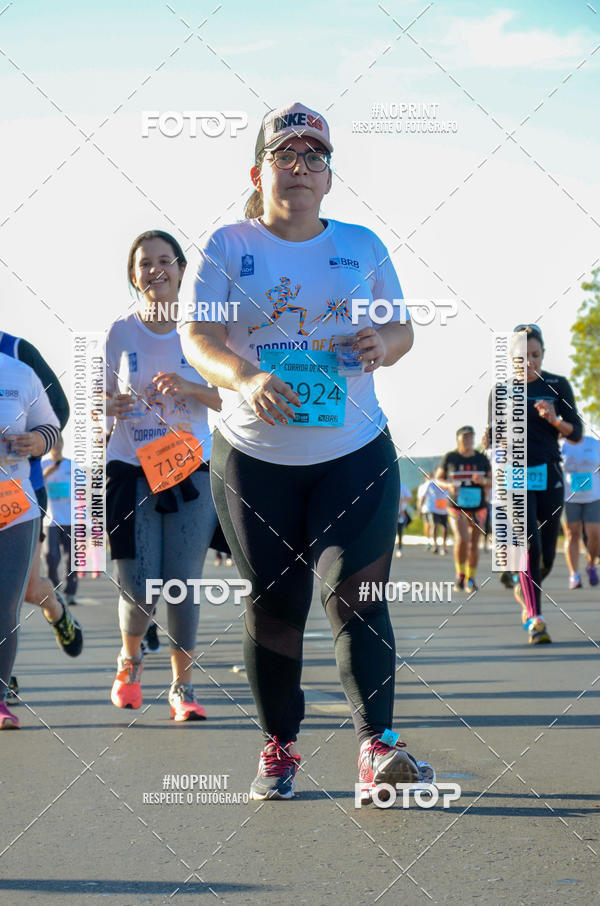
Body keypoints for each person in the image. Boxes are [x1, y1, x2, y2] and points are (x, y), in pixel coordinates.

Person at [179, 102, 434, 801]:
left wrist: (383, 345)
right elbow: (198, 340)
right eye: (285, 155)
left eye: (314, 156)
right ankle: (280, 747)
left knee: (359, 596)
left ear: (329, 178)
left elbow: (402, 331)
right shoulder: (228, 247)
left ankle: (378, 746)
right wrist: (246, 376)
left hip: (353, 451)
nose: (300, 167)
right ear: (259, 172)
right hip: (254, 460)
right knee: (275, 605)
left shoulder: (361, 246)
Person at [105, 230, 220, 719]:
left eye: (164, 261)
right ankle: (130, 659)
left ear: (180, 268)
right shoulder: (119, 332)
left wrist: (190, 386)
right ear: (134, 276)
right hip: (132, 469)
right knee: (139, 586)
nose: (156, 270)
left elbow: (227, 395)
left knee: (184, 583)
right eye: (144, 263)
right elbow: (97, 404)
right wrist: (109, 403)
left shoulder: (203, 331)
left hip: (191, 469)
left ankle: (182, 688)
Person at [487, 324, 583, 644]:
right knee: (530, 543)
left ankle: (524, 586)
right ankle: (536, 619)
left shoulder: (558, 385)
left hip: (549, 474)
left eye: (535, 355)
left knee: (548, 556)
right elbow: (496, 437)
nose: (528, 362)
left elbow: (576, 433)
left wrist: (555, 419)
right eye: (521, 356)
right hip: (515, 474)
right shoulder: (501, 391)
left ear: (542, 354)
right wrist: (493, 437)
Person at [0, 331, 83, 680]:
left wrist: (36, 440)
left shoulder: (17, 352)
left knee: (28, 590)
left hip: (22, 491)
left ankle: (57, 610)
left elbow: (57, 410)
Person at [0, 353, 61, 728]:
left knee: (5, 606)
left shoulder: (19, 372)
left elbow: (52, 428)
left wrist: (35, 441)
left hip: (14, 507)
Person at [435, 427, 491, 593]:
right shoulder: (450, 457)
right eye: (465, 438)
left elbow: (493, 480)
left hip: (478, 506)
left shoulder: (481, 459)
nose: (468, 441)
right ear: (458, 439)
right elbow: (438, 479)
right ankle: (460, 574)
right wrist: (449, 485)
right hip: (456, 506)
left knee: (474, 544)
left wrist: (483, 480)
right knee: (462, 539)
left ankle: (470, 578)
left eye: (470, 438)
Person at [561, 434, 600, 589]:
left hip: (593, 496)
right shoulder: (560, 445)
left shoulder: (594, 443)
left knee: (595, 536)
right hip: (568, 497)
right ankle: (574, 575)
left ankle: (591, 564)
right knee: (572, 535)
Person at [43, 439, 78, 605]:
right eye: (54, 443)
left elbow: (83, 488)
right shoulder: (43, 465)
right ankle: (54, 587)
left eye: (59, 443)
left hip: (71, 519)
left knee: (72, 558)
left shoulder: (71, 465)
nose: (56, 446)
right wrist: (47, 474)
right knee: (50, 556)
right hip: (51, 519)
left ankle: (70, 592)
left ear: (63, 444)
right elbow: (35, 486)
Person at [417, 473, 449, 555]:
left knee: (445, 527)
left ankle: (444, 545)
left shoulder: (448, 482)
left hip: (444, 509)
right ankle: (435, 545)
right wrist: (420, 508)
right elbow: (423, 496)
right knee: (434, 525)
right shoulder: (430, 483)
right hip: (433, 508)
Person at [395, 482, 412, 557]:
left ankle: (399, 549)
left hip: (400, 513)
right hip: (391, 513)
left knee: (400, 532)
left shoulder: (402, 486)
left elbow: (409, 498)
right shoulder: (388, 486)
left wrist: (402, 511)